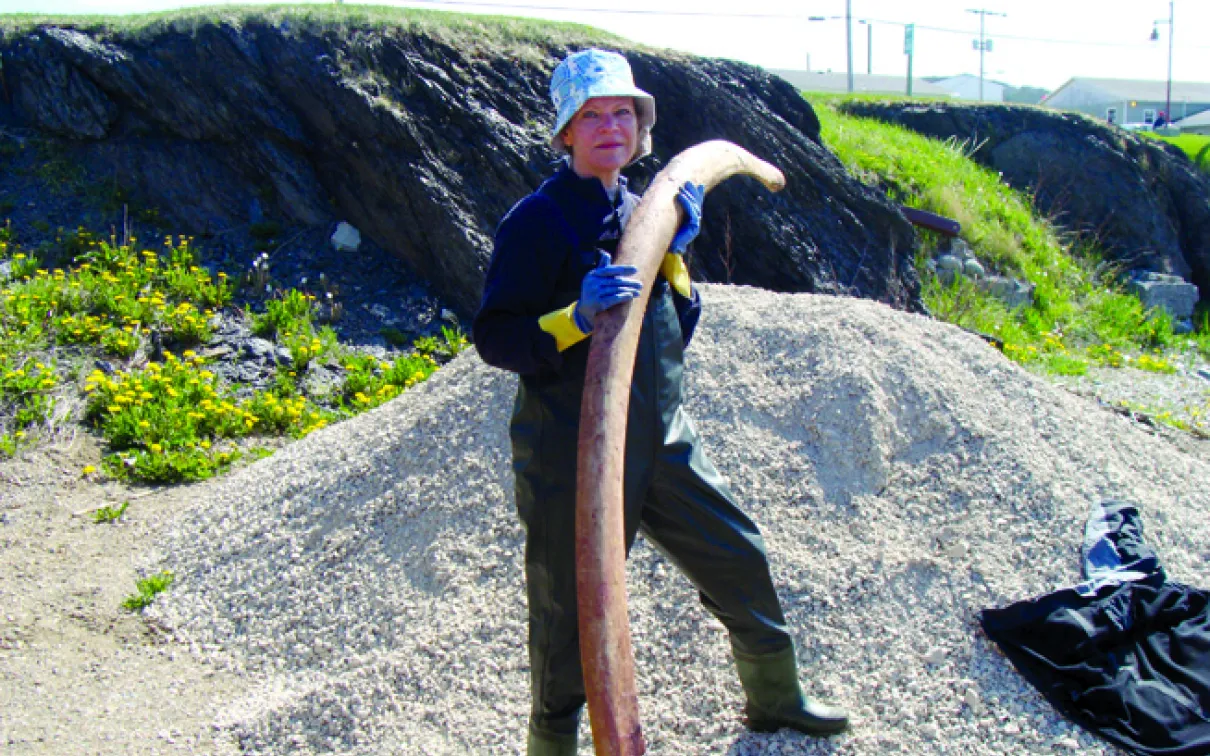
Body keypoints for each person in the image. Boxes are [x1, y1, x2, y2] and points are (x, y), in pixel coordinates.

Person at [473, 48, 849, 755]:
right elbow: (495, 337)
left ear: (641, 127)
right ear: (566, 132)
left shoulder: (642, 208)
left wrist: (674, 256)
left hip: (662, 435)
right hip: (571, 451)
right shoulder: (539, 220)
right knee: (566, 614)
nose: (611, 126)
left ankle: (776, 698)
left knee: (738, 553)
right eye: (593, 115)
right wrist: (572, 319)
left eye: (623, 113)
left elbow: (675, 331)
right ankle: (550, 742)